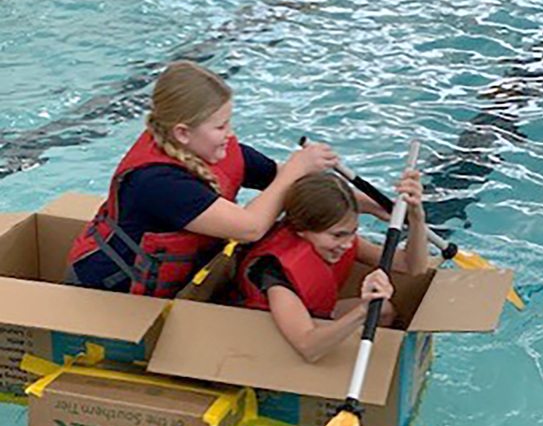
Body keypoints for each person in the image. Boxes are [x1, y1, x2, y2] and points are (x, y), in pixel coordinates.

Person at [64, 59, 343, 298]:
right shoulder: (157, 182)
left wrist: (375, 205)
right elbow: (251, 227)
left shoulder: (209, 148)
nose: (230, 134)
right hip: (106, 292)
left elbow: (292, 183)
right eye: (220, 126)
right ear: (183, 133)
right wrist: (296, 168)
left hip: (168, 283)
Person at [233, 167, 429, 363]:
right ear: (302, 230)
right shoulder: (275, 272)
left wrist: (416, 218)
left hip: (314, 315)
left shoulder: (332, 237)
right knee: (374, 310)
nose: (348, 244)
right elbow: (308, 348)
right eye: (337, 235)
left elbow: (411, 266)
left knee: (384, 310)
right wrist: (363, 311)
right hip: (270, 340)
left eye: (352, 232)